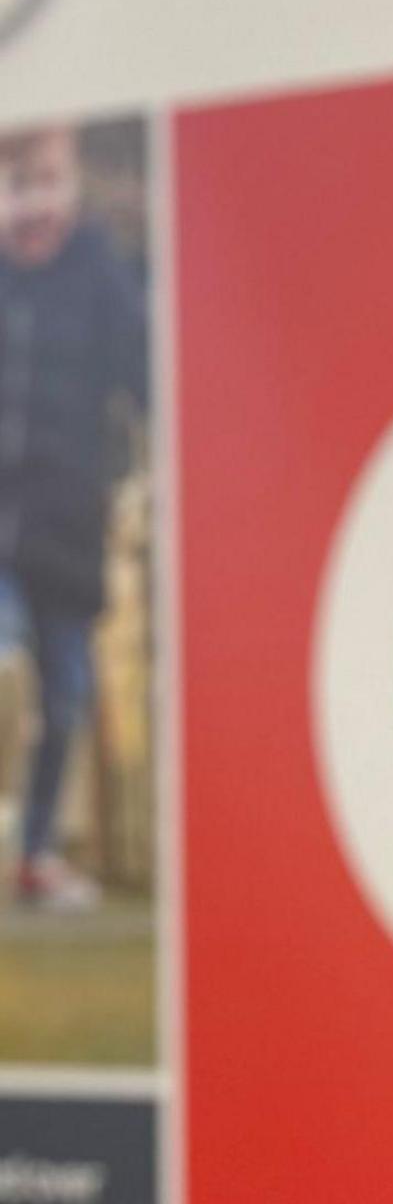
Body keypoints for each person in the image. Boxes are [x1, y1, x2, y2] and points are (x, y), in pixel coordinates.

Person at [0, 124, 148, 911]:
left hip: (68, 533)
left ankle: (34, 857)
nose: (34, 211)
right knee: (6, 667)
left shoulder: (98, 275)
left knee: (66, 698)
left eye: (46, 185)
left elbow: (145, 367)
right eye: (17, 188)